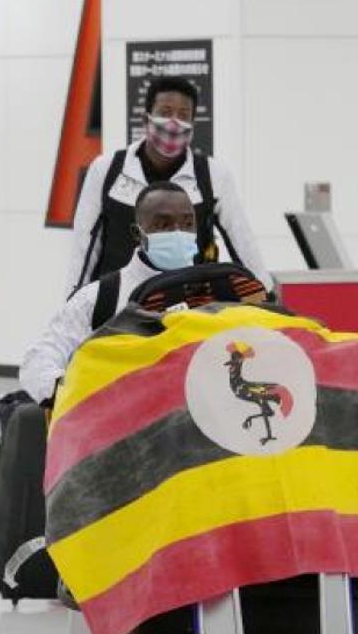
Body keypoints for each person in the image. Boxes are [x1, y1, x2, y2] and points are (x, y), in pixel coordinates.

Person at [66, 76, 269, 295]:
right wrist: (74, 302)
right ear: (146, 119)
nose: (174, 123)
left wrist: (267, 294)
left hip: (188, 302)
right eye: (165, 112)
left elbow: (242, 242)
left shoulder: (213, 175)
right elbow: (84, 246)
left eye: (183, 115)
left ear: (192, 126)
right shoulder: (107, 169)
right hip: (117, 302)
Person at [21, 182, 199, 406]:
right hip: (121, 430)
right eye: (163, 225)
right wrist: (69, 395)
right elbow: (39, 359)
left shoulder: (223, 291)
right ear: (137, 233)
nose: (178, 233)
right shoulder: (100, 298)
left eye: (188, 224)